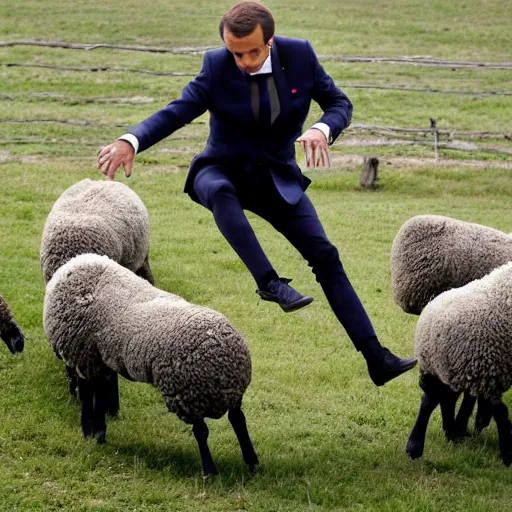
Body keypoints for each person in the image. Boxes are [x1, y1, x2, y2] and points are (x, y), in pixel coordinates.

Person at [98, 1, 417, 386]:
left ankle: (376, 358)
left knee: (327, 257)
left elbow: (338, 103)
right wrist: (131, 140)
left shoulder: (300, 55)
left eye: (252, 51)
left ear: (270, 40)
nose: (244, 60)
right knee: (219, 192)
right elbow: (178, 111)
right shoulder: (216, 65)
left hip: (276, 178)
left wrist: (322, 129)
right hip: (220, 169)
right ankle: (269, 281)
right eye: (236, 53)